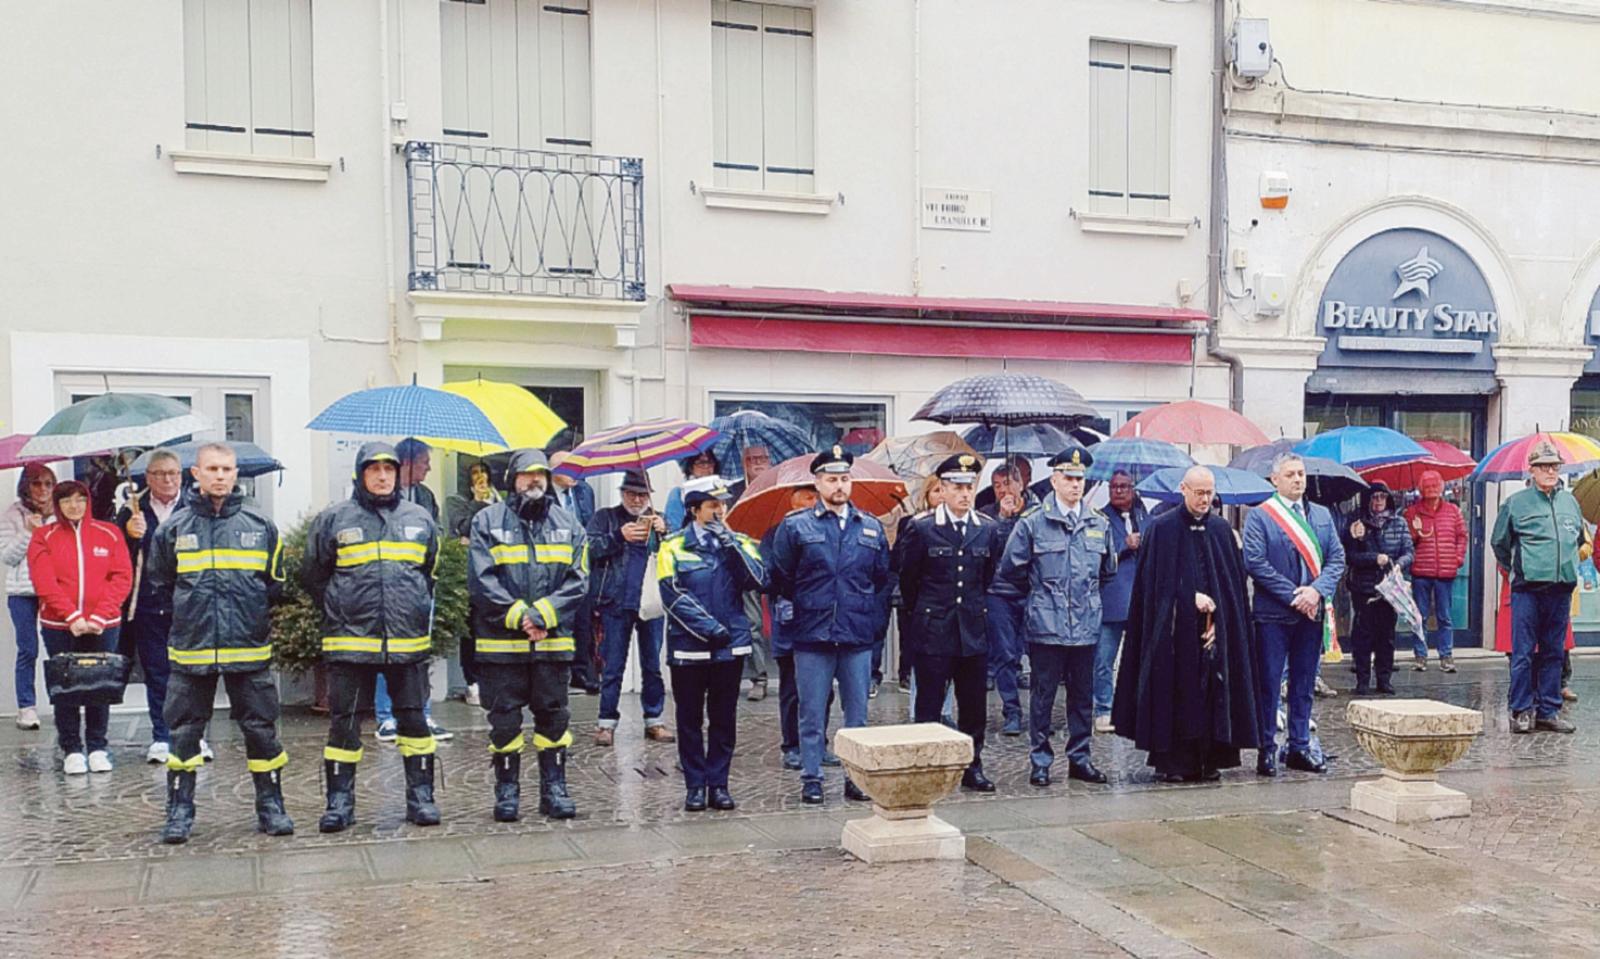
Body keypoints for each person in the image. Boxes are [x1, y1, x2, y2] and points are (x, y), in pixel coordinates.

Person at [147, 442, 293, 843]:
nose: (220, 476)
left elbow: (275, 586)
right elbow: (161, 585)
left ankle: (271, 806)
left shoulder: (260, 526)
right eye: (212, 469)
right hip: (192, 650)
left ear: (235, 474)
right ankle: (179, 811)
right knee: (183, 734)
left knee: (262, 732)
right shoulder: (173, 529)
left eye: (227, 469)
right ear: (196, 474)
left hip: (249, 649)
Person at [302, 442, 442, 832]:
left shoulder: (420, 519)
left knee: (414, 723)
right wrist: (340, 607)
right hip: (350, 643)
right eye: (373, 469)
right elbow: (313, 574)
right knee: (344, 725)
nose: (382, 476)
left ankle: (421, 798)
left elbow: (429, 573)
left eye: (389, 469)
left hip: (407, 644)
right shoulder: (334, 519)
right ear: (360, 474)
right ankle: (339, 803)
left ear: (397, 474)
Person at [1114, 467, 1258, 782]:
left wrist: (1220, 622)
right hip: (1173, 636)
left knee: (1212, 693)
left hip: (1212, 635)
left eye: (1209, 493)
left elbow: (1232, 589)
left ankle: (1211, 759)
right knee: (1175, 694)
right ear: (1183, 489)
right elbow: (1152, 588)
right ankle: (1174, 763)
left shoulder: (1221, 530)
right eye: (1199, 493)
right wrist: (1188, 598)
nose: (1205, 499)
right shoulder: (1162, 529)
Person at [468, 449, 590, 820]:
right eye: (527, 474)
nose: (534, 480)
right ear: (512, 479)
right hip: (500, 646)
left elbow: (579, 579)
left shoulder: (569, 524)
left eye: (541, 474)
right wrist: (521, 615)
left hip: (551, 645)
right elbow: (481, 580)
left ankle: (555, 790)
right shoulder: (487, 521)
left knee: (554, 719)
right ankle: (507, 793)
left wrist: (543, 615)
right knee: (504, 721)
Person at [770, 446, 892, 805]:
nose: (839, 486)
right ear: (818, 483)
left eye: (844, 479)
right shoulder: (796, 526)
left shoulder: (869, 526)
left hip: (856, 633)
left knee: (857, 715)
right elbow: (782, 576)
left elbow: (881, 577)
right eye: (831, 479)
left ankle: (856, 778)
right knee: (811, 712)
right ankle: (812, 777)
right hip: (813, 633)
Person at [993, 446, 1116, 788]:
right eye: (1069, 478)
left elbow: (1107, 571)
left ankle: (1080, 758)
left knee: (1082, 697)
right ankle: (1041, 760)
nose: (1076, 484)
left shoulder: (1098, 523)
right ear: (1055, 480)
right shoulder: (1033, 522)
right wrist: (1040, 598)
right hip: (1046, 625)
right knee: (1043, 697)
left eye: (1080, 479)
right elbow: (1011, 569)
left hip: (1085, 625)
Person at [657, 475, 767, 811]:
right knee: (689, 720)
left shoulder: (739, 541)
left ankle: (719, 784)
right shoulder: (672, 545)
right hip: (689, 646)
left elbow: (758, 580)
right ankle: (695, 785)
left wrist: (731, 545)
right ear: (694, 510)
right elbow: (671, 595)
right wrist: (709, 628)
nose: (720, 511)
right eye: (712, 505)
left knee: (723, 718)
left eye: (723, 504)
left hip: (730, 647)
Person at [896, 454, 1001, 792]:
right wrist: (926, 614)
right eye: (957, 487)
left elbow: (987, 577)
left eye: (969, 486)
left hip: (971, 629)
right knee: (929, 704)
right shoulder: (922, 528)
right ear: (941, 488)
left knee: (973, 706)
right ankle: (925, 767)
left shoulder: (987, 528)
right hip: (933, 629)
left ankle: (972, 765)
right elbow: (909, 580)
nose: (964, 493)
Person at [1243, 452, 1346, 776]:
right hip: (1273, 615)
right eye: (1290, 474)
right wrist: (1294, 596)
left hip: (1311, 613)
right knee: (1269, 684)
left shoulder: (1321, 515)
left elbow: (1337, 559)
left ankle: (1299, 746)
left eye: (1301, 473)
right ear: (1275, 480)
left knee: (1303, 683)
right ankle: (1266, 748)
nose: (1298, 479)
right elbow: (1256, 563)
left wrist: (1315, 591)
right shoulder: (1260, 516)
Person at [27, 480, 132, 774]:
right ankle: (71, 747)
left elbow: (122, 576)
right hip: (60, 625)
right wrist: (71, 616)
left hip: (103, 624)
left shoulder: (109, 533)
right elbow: (44, 581)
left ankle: (97, 746)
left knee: (100, 684)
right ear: (57, 505)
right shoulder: (43, 536)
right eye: (67, 501)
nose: (74, 506)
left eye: (80, 499)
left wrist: (100, 616)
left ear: (88, 502)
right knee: (66, 686)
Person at [1490, 438, 1586, 735]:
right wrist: (1519, 569)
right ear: (1531, 470)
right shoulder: (1516, 504)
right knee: (1523, 653)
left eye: (1554, 466)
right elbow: (1499, 542)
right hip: (1528, 589)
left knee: (1554, 653)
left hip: (1560, 588)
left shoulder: (1570, 502)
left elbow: (1577, 539)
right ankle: (1521, 710)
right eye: (1544, 466)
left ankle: (1548, 711)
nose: (1550, 471)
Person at [586, 470, 673, 746]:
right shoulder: (605, 517)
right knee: (613, 665)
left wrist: (666, 533)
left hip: (650, 601)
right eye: (632, 494)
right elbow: (588, 550)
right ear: (623, 493)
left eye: (642, 495)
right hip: (615, 601)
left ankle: (654, 720)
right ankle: (606, 723)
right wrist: (618, 536)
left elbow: (676, 556)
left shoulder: (659, 519)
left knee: (652, 665)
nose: (637, 500)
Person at [376, 437, 449, 744]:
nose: (428, 468)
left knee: (420, 653)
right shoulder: (381, 496)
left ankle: (422, 713)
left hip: (419, 587)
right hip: (385, 589)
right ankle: (386, 717)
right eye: (423, 462)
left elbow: (436, 536)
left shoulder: (425, 496)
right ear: (405, 463)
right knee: (385, 653)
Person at [115, 449, 184, 764]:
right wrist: (130, 536)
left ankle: (193, 736)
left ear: (181, 476)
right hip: (148, 604)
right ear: (148, 478)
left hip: (189, 604)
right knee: (157, 671)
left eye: (172, 473)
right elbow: (116, 556)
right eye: (160, 474)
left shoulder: (194, 507)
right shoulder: (131, 510)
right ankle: (162, 735)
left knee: (192, 674)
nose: (167, 479)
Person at [761, 485, 834, 771]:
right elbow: (769, 576)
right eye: (807, 497)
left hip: (824, 625)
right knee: (793, 689)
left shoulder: (831, 529)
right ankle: (792, 745)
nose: (813, 502)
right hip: (791, 624)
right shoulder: (776, 533)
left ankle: (819, 744)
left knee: (824, 690)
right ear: (793, 502)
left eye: (816, 496)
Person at [980, 458, 1038, 736]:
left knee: (1038, 654)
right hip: (998, 594)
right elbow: (992, 552)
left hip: (1032, 592)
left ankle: (1039, 714)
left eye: (1008, 483)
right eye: (996, 485)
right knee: (1004, 653)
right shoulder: (986, 515)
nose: (1003, 490)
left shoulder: (1038, 511)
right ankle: (1011, 710)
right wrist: (1003, 520)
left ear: (1021, 483)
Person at [1341, 482, 1413, 696]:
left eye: (1383, 496)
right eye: (1374, 497)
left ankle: (1384, 680)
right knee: (1363, 637)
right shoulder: (1357, 522)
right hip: (1364, 587)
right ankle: (1362, 680)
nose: (1379, 501)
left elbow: (1409, 551)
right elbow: (1350, 556)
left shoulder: (1399, 522)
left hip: (1390, 588)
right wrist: (1374, 557)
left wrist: (1399, 564)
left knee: (1386, 636)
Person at [2, 462, 55, 732]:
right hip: (22, 592)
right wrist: (28, 533)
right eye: (36, 483)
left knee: (58, 648)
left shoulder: (60, 513)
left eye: (48, 483)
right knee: (28, 649)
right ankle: (27, 707)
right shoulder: (13, 514)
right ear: (26, 486)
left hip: (53, 590)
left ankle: (64, 701)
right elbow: (7, 556)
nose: (43, 489)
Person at [1095, 470, 1148, 734]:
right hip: (1112, 600)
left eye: (1124, 486)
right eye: (1114, 487)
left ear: (1133, 489)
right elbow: (1097, 557)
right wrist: (1125, 546)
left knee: (1141, 658)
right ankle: (1103, 708)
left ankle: (1138, 707)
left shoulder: (1145, 518)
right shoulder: (1100, 518)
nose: (1118, 491)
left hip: (1141, 599)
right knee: (1103, 659)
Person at [1404, 470, 1466, 673]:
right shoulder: (1412, 512)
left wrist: (1457, 558)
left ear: (1441, 488)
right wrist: (1415, 531)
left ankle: (1446, 655)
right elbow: (1407, 543)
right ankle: (1420, 656)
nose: (1431, 491)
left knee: (1444, 616)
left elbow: (1462, 536)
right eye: (1427, 487)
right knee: (1419, 616)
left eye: (1434, 486)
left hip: (1445, 572)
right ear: (1422, 490)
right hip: (1421, 571)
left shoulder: (1453, 511)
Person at [548, 451, 599, 694]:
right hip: (554, 565)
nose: (577, 472)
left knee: (583, 620)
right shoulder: (545, 495)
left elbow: (590, 525)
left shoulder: (584, 491)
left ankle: (581, 671)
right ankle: (557, 671)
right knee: (558, 618)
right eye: (571, 467)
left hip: (582, 563)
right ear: (555, 471)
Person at [664, 450, 719, 531]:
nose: (707, 467)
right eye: (701, 463)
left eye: (710, 462)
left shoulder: (721, 489)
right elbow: (675, 528)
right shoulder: (678, 494)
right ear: (690, 467)